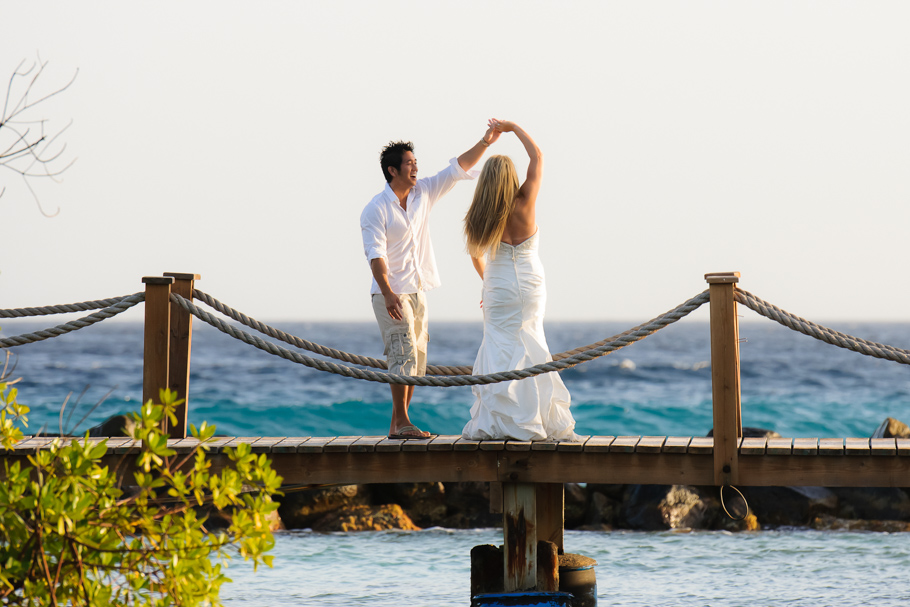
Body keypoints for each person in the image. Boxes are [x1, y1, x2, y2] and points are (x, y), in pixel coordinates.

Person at [361, 123, 501, 439]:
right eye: (409, 164)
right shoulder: (375, 208)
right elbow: (375, 255)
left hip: (418, 289)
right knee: (403, 353)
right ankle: (401, 423)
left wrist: (485, 142)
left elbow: (456, 170)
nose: (416, 168)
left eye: (415, 163)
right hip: (390, 293)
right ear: (392, 170)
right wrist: (388, 293)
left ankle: (400, 423)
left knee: (415, 359)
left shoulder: (423, 192)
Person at [461, 120, 578, 442]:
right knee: (532, 343)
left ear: (485, 181)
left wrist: (488, 284)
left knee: (499, 345)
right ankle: (537, 420)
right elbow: (537, 156)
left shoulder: (480, 214)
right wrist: (512, 128)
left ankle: (501, 421)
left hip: (497, 284)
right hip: (530, 282)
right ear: (511, 178)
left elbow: (475, 254)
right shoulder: (525, 199)